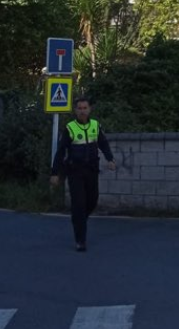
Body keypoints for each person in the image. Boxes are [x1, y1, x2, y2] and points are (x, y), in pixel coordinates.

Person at [50, 97, 116, 252]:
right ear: (75, 110)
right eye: (79, 108)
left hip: (91, 170)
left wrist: (110, 158)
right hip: (75, 172)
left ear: (89, 109)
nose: (82, 111)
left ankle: (79, 219)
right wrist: (54, 173)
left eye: (84, 107)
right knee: (79, 204)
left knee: (92, 201)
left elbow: (103, 143)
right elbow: (60, 152)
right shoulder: (70, 128)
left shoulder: (95, 125)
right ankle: (80, 240)